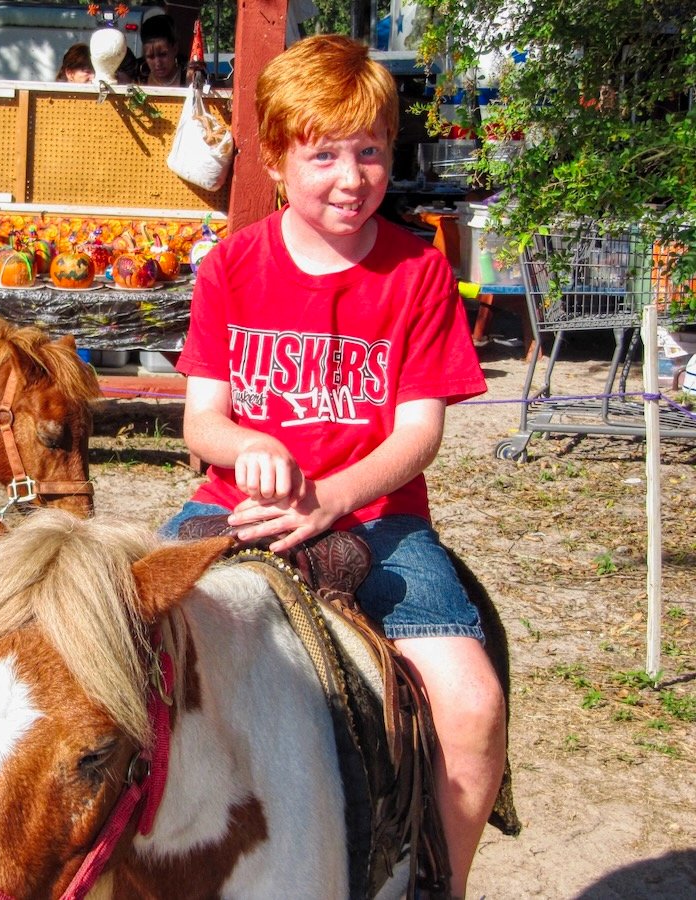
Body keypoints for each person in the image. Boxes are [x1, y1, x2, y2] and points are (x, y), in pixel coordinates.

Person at [162, 35, 505, 898]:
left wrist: (334, 497)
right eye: (323, 155)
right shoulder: (231, 269)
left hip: (380, 524)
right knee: (125, 657)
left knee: (470, 706)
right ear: (276, 161)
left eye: (370, 152)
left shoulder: (420, 272)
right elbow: (202, 418)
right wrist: (252, 446)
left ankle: (441, 883)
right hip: (235, 509)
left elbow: (418, 433)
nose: (352, 177)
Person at [136, 14, 185, 87]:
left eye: (163, 54)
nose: (158, 63)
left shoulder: (189, 77)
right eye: (150, 56)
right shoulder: (136, 78)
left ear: (175, 49)